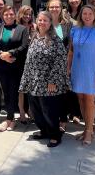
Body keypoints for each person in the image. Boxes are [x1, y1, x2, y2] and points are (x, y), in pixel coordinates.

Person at [20, 11, 68, 147]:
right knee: (36, 111)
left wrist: (52, 80)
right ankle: (44, 131)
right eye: (39, 20)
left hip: (48, 83)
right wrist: (26, 80)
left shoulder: (55, 39)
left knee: (49, 111)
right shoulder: (34, 37)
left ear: (50, 23)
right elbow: (29, 61)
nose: (42, 23)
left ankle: (55, 135)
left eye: (45, 20)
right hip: (34, 82)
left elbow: (60, 61)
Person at [67, 5, 95, 145]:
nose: (87, 16)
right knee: (81, 100)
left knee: (90, 101)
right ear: (81, 15)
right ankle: (86, 129)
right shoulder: (75, 29)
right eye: (84, 13)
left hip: (93, 70)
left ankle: (89, 132)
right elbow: (71, 51)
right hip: (78, 69)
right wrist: (68, 68)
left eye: (90, 13)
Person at [0, 6, 29, 132]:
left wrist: (10, 53)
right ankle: (10, 119)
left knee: (13, 92)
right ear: (3, 15)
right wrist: (1, 55)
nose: (9, 16)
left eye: (11, 14)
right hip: (1, 66)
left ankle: (10, 119)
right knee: (6, 93)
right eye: (6, 14)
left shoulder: (22, 29)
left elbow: (24, 45)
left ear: (15, 15)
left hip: (15, 66)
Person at [47, 0, 73, 132]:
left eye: (57, 7)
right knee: (49, 93)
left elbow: (70, 47)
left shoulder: (67, 25)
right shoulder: (45, 23)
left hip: (62, 65)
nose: (54, 9)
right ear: (48, 8)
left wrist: (68, 66)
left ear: (61, 8)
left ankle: (62, 120)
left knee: (62, 94)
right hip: (47, 65)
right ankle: (51, 120)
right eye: (52, 7)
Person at [16, 5, 36, 123]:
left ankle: (31, 111)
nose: (28, 16)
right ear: (21, 14)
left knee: (31, 87)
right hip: (20, 60)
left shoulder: (35, 26)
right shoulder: (17, 27)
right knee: (21, 88)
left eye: (30, 14)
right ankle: (21, 112)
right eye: (25, 14)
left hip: (32, 61)